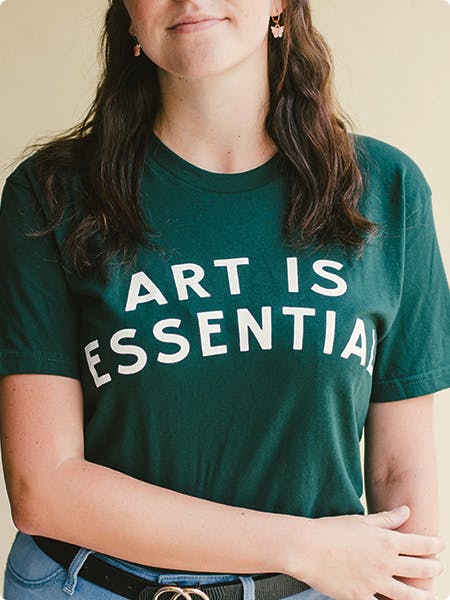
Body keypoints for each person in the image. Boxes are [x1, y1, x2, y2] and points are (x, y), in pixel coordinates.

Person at [0, 1, 449, 599]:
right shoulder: (50, 195)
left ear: (279, 6)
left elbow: (401, 473)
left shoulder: (384, 191)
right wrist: (301, 545)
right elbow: (44, 489)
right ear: (129, 16)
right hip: (89, 585)